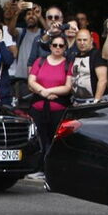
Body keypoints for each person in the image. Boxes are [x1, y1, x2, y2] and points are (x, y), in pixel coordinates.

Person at [27, 35, 73, 168]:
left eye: (61, 45)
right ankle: (36, 166)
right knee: (37, 139)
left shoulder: (68, 64)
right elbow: (31, 81)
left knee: (55, 140)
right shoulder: (40, 61)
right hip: (38, 107)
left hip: (58, 109)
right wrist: (44, 92)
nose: (57, 48)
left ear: (65, 48)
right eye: (55, 45)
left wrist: (48, 91)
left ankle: (53, 168)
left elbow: (68, 87)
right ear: (50, 46)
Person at [70, 29, 108, 104]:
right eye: (79, 40)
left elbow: (102, 80)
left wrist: (96, 101)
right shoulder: (75, 56)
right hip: (77, 101)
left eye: (85, 40)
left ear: (91, 40)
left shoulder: (97, 55)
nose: (82, 43)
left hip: (93, 101)